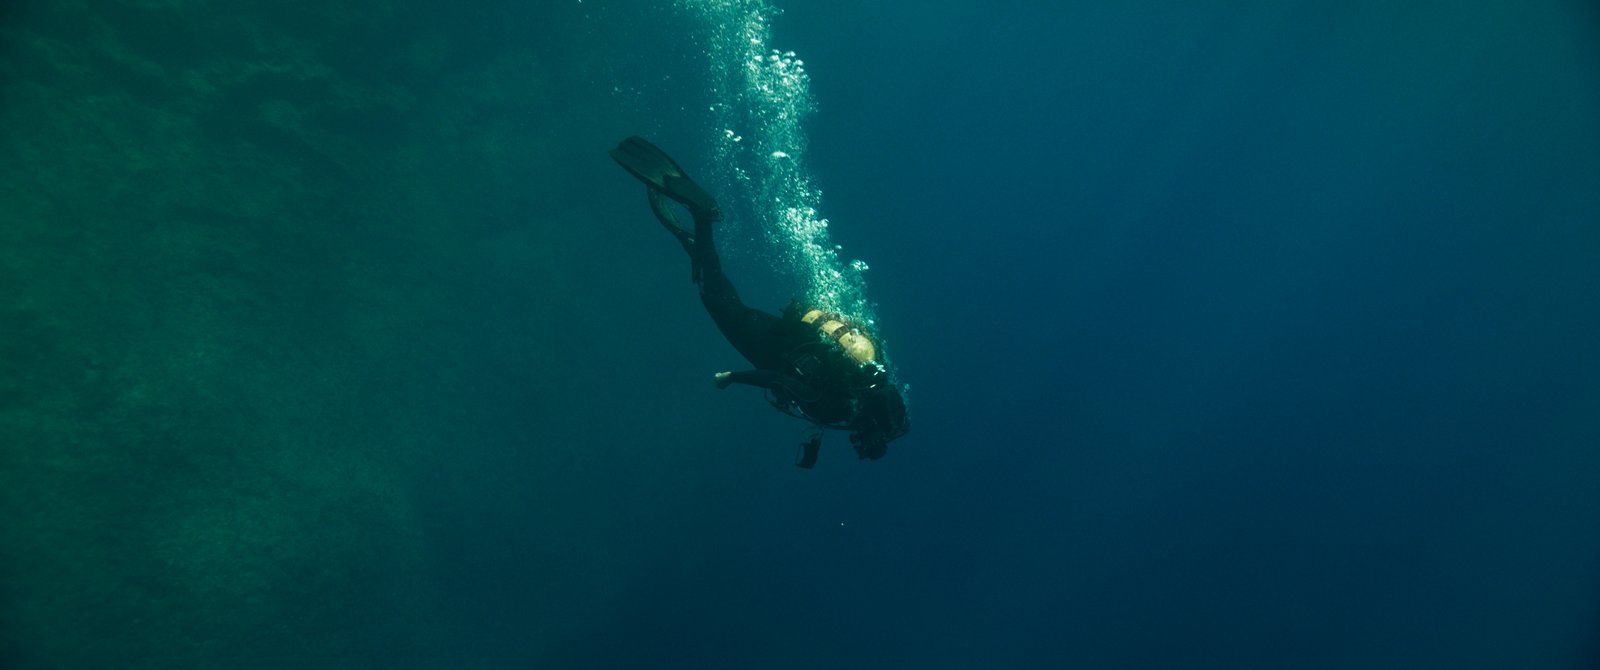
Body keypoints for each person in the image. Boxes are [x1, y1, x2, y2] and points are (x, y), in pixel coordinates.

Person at [609, 136, 909, 468]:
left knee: (718, 291)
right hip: (767, 348)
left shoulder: (873, 367)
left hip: (784, 335)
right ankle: (703, 219)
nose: (859, 440)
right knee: (714, 297)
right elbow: (778, 380)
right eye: (866, 438)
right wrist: (732, 377)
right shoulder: (837, 407)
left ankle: (697, 245)